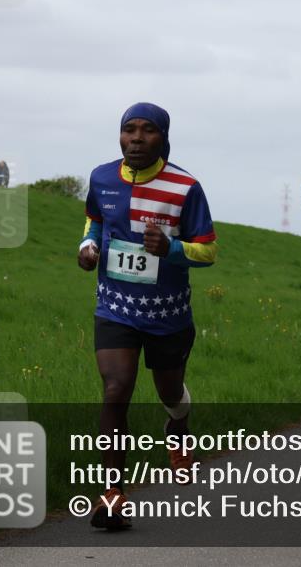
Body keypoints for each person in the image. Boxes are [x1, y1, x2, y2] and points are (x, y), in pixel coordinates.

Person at [78, 102, 218, 529]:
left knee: (169, 392)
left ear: (163, 137)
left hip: (167, 314)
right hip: (116, 307)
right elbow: (94, 222)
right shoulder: (102, 178)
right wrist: (86, 248)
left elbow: (208, 250)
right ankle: (112, 493)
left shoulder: (185, 187)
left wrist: (172, 250)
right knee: (116, 388)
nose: (136, 138)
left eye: (147, 131)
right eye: (129, 130)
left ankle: (178, 426)